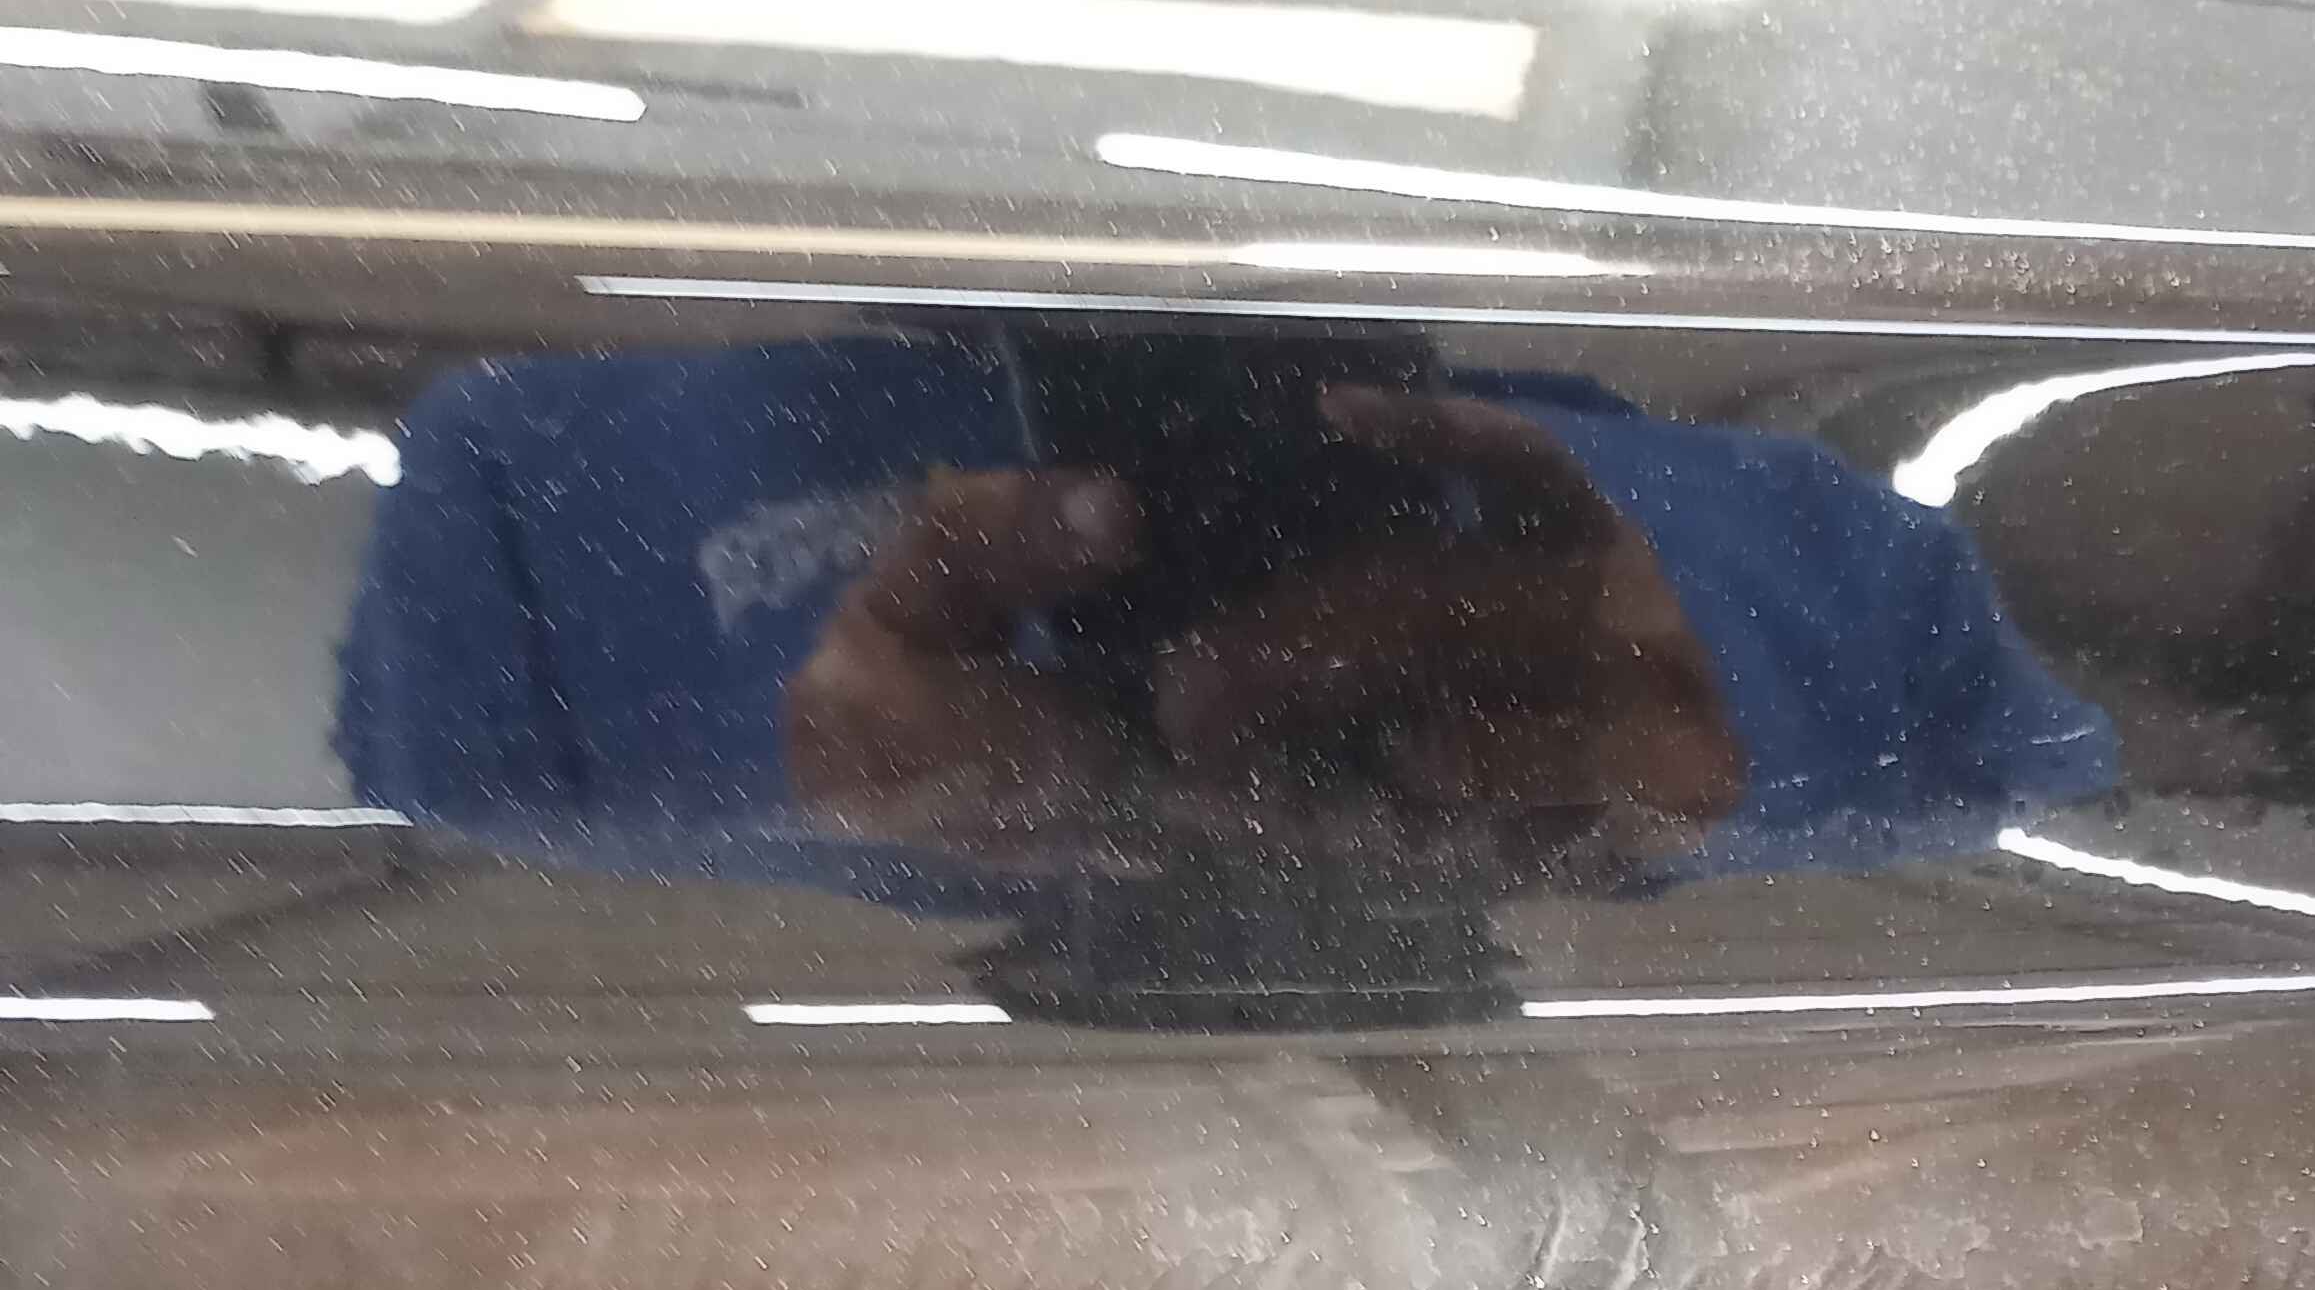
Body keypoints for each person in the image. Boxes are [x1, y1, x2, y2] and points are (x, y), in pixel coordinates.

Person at [334, 333, 2120, 922]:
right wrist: (796, 789)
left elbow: (2052, 820)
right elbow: (434, 910)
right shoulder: (544, 475)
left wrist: (1699, 733)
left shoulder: (1767, 507)